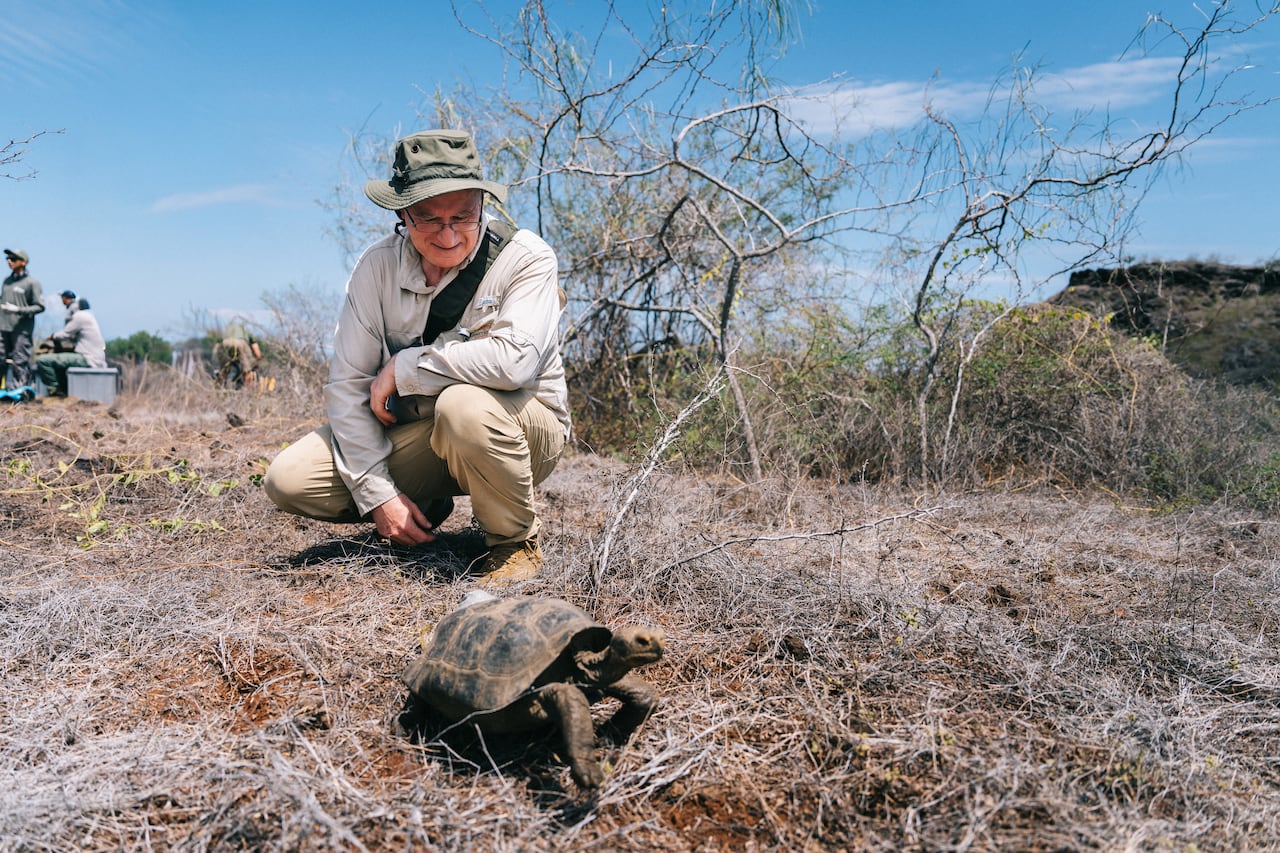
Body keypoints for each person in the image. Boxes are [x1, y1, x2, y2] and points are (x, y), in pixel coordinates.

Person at [263, 129, 571, 582]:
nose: (448, 235)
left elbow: (513, 363)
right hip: (426, 431)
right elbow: (348, 388)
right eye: (429, 219)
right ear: (402, 214)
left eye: (463, 217)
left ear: (483, 207)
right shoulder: (376, 267)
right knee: (288, 478)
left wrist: (405, 366)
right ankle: (424, 502)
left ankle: (513, 542)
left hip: (524, 432)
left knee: (462, 405)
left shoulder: (528, 259)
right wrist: (377, 494)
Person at [36, 297, 107, 397]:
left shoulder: (80, 316)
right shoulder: (89, 317)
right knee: (60, 363)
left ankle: (55, 392)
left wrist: (51, 336)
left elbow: (65, 334)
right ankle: (63, 389)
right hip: (95, 358)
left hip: (87, 358)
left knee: (43, 360)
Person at [1, 249, 46, 398]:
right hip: (3, 327)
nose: (9, 261)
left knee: (19, 361)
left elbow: (40, 306)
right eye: (8, 258)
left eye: (13, 258)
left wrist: (18, 309)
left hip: (21, 330)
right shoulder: (7, 281)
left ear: (23, 262)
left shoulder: (32, 283)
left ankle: (18, 394)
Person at [214, 318, 262, 387]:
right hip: (240, 343)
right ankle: (246, 389)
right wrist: (258, 359)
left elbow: (217, 346)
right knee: (247, 370)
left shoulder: (226, 329)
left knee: (223, 370)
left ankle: (220, 387)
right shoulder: (244, 329)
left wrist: (219, 361)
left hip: (226, 343)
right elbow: (255, 347)